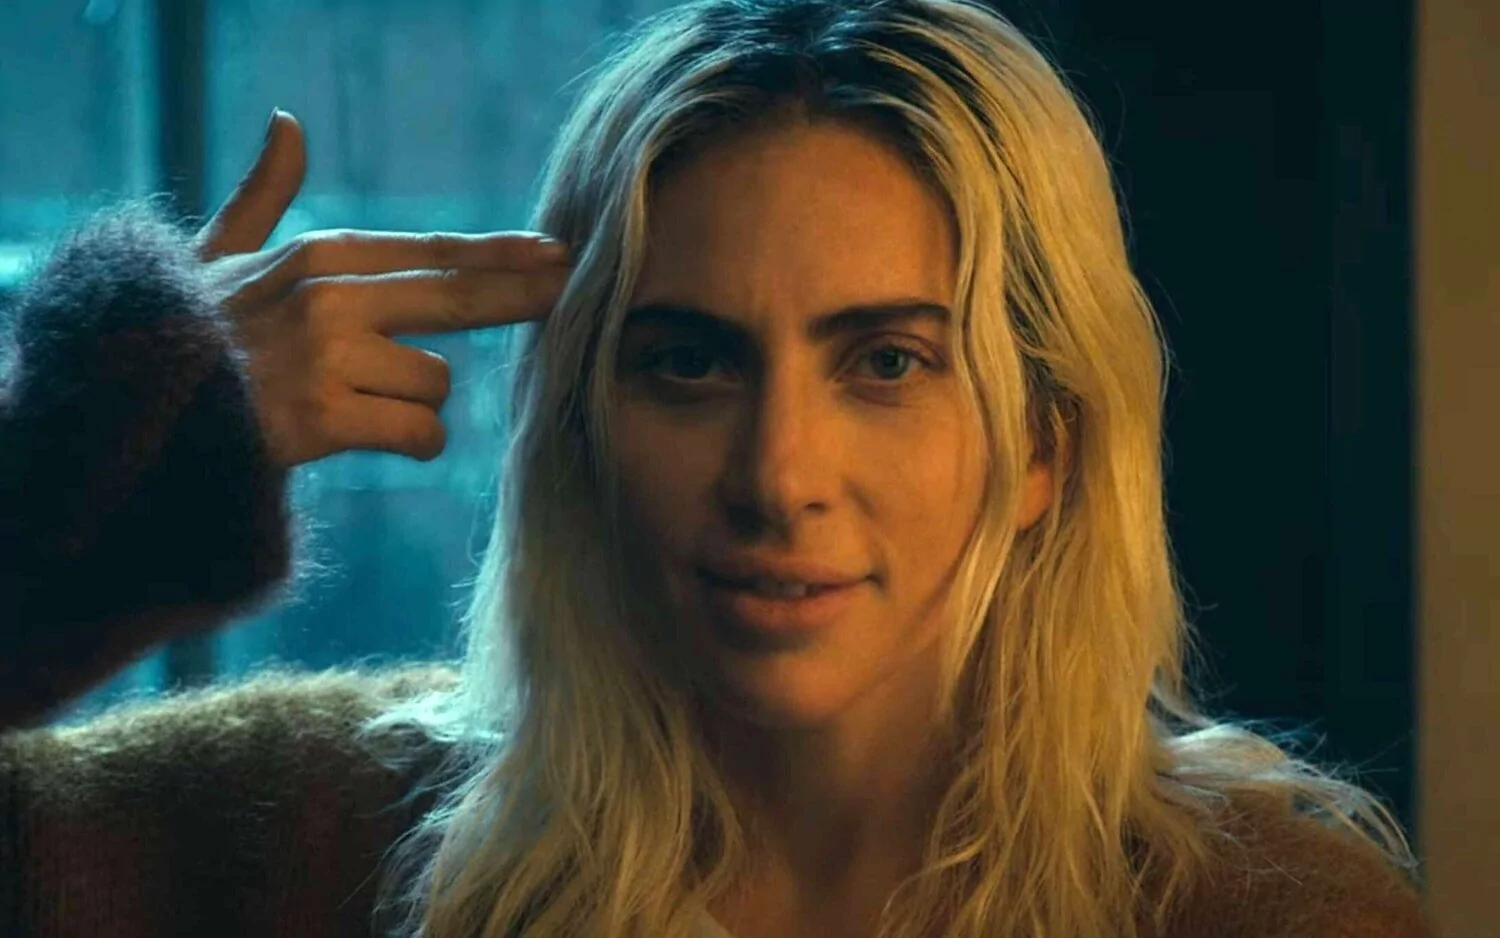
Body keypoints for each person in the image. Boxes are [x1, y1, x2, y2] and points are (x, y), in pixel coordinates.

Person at [0, 1, 1430, 936]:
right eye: (690, 361)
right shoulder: (324, 838)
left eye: (886, 362)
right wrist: (76, 467)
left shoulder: (1257, 908)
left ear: (1047, 439)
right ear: (580, 420)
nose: (777, 474)